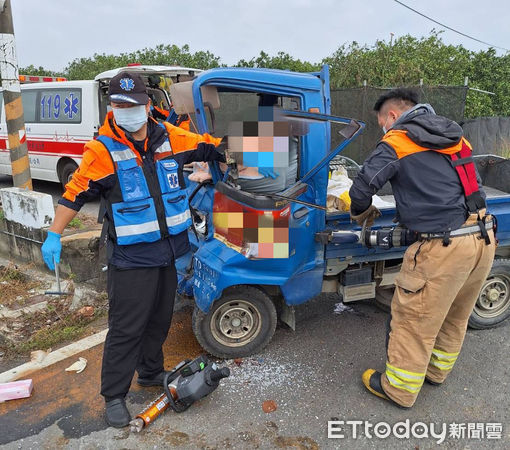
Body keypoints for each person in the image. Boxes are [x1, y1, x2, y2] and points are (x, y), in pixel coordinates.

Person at [40, 72, 225, 427]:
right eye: (119, 104)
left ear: (148, 106)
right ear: (112, 106)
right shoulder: (102, 149)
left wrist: (248, 145)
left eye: (133, 104)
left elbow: (208, 144)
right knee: (127, 328)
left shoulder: (170, 137)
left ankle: (151, 371)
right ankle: (113, 395)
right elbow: (75, 193)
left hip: (168, 252)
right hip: (130, 258)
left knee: (159, 319)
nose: (127, 110)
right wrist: (54, 233)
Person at [349, 88, 496, 408]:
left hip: (442, 246)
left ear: (392, 116)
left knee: (413, 319)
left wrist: (360, 212)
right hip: (483, 236)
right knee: (455, 313)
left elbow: (361, 187)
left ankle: (398, 389)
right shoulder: (457, 137)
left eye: (381, 124)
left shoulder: (398, 140)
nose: (384, 131)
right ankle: (436, 372)